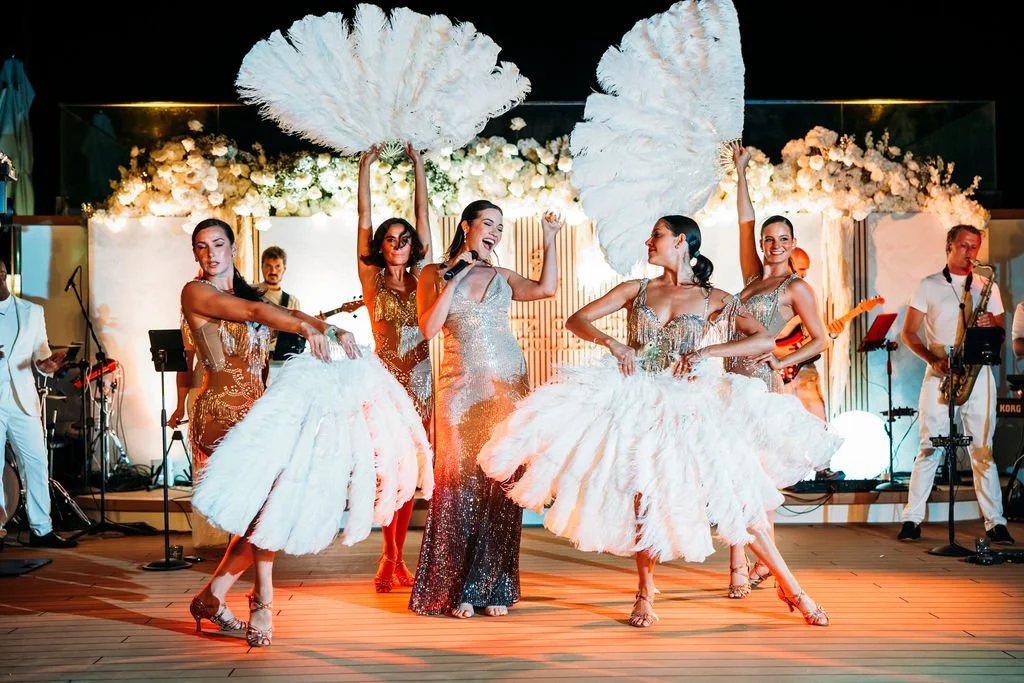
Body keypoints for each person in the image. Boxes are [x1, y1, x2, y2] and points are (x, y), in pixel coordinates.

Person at [477, 216, 837, 628]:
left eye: (657, 236)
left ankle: (791, 587)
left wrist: (709, 352)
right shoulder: (637, 289)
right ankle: (645, 593)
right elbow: (576, 319)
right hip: (636, 397)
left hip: (687, 403)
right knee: (642, 495)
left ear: (681, 242)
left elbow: (763, 340)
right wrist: (613, 344)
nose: (649, 242)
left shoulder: (711, 297)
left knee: (736, 494)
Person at [180, 218, 353, 647]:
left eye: (218, 244)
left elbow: (283, 311)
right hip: (221, 413)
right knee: (266, 508)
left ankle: (213, 597)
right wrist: (304, 329)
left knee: (267, 508)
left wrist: (331, 328)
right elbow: (259, 315)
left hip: (257, 417)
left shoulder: (249, 293)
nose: (211, 253)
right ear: (196, 254)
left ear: (232, 247)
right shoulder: (196, 292)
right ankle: (261, 598)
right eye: (202, 247)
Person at [409, 201, 562, 618]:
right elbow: (428, 328)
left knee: (501, 482)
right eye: (488, 224)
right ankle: (457, 586)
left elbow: (546, 289)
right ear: (467, 226)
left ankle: (493, 585)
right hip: (458, 390)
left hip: (507, 386)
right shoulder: (433, 273)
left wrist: (549, 239)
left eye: (500, 226)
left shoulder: (502, 276)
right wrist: (454, 278)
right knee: (458, 484)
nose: (494, 232)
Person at [726, 144, 832, 597]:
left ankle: (750, 566)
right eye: (768, 239)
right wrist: (742, 170)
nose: (772, 245)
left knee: (757, 476)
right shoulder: (753, 277)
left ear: (792, 244)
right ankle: (745, 565)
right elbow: (743, 221)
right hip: (730, 381)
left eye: (781, 239)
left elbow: (821, 340)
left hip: (761, 388)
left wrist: (781, 361)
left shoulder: (796, 287)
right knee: (734, 472)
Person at [897, 224, 1014, 545]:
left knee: (983, 450)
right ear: (949, 246)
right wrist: (932, 360)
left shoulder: (986, 286)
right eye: (963, 246)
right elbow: (908, 334)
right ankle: (912, 519)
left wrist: (993, 323)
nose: (970, 253)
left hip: (978, 375)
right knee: (929, 447)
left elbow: (1002, 335)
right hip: (941, 372)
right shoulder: (929, 285)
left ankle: (995, 522)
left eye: (975, 247)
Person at [356, 142, 434, 592]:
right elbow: (363, 220)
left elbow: (424, 219)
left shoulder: (426, 274)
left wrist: (418, 166)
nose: (399, 245)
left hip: (422, 387)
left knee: (412, 473)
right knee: (390, 471)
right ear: (381, 246)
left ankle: (395, 558)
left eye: (405, 239)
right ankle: (387, 559)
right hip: (385, 387)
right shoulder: (371, 278)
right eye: (391, 239)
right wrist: (365, 170)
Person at [0, 258, 78, 549]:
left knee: (35, 461)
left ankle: (41, 529)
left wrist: (46, 365)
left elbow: (40, 353)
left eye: (2, 274)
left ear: (7, 274)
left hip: (23, 399)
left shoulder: (32, 311)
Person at [256, 246, 303, 370]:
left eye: (277, 266)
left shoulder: (292, 302)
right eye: (268, 266)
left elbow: (296, 334)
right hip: (251, 360)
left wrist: (314, 326)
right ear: (262, 267)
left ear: (284, 269)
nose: (273, 271)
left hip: (279, 365)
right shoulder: (250, 292)